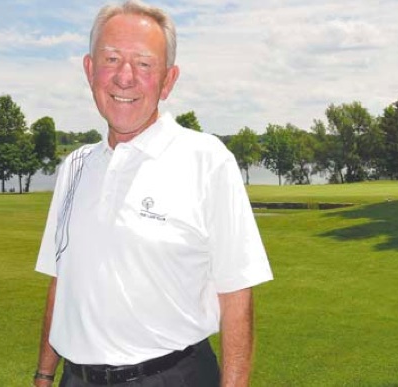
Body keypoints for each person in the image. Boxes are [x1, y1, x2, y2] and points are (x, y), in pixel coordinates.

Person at [33, 1, 273, 386]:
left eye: (144, 64)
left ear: (168, 80)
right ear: (90, 69)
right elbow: (62, 281)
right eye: (111, 59)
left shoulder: (207, 160)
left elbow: (236, 296)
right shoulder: (74, 167)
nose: (124, 77)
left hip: (172, 377)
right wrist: (44, 374)